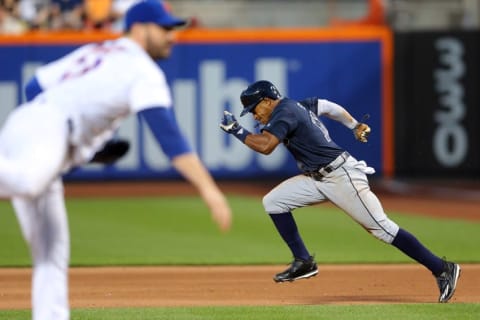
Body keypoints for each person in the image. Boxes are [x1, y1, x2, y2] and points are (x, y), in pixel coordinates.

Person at [0, 1, 232, 319]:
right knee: (27, 181)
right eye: (163, 28)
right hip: (47, 129)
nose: (171, 36)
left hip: (32, 125)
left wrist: (71, 146)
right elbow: (170, 138)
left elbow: (33, 85)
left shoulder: (99, 50)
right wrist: (210, 190)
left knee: (51, 253)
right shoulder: (143, 70)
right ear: (138, 28)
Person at [220, 80, 460, 303]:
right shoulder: (298, 106)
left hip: (341, 177)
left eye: (254, 108)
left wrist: (237, 131)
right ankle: (303, 261)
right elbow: (327, 107)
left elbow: (266, 146)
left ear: (267, 101)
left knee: (383, 229)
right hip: (317, 178)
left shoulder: (284, 111)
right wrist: (354, 125)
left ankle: (442, 268)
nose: (254, 114)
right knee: (274, 201)